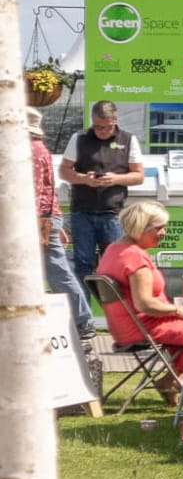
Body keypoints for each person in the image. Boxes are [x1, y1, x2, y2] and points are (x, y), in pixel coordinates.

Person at [96, 200, 183, 407]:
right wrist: (177, 310)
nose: (163, 233)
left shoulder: (113, 250)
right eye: (159, 228)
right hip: (142, 327)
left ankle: (169, 380)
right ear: (141, 227)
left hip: (124, 328)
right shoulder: (135, 258)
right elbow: (145, 304)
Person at [30, 107, 96, 350]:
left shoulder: (30, 150)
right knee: (55, 271)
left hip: (36, 219)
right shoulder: (40, 149)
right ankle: (82, 321)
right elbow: (48, 189)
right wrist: (55, 220)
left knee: (57, 271)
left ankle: (83, 321)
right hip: (44, 218)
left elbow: (34, 191)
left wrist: (40, 222)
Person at [59, 100, 143, 280]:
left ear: (115, 120)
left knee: (114, 264)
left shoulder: (128, 139)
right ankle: (83, 308)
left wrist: (115, 179)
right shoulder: (79, 138)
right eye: (97, 127)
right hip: (82, 211)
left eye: (106, 127)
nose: (102, 131)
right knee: (83, 263)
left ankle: (112, 308)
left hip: (112, 212)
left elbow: (138, 175)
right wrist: (83, 179)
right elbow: (64, 170)